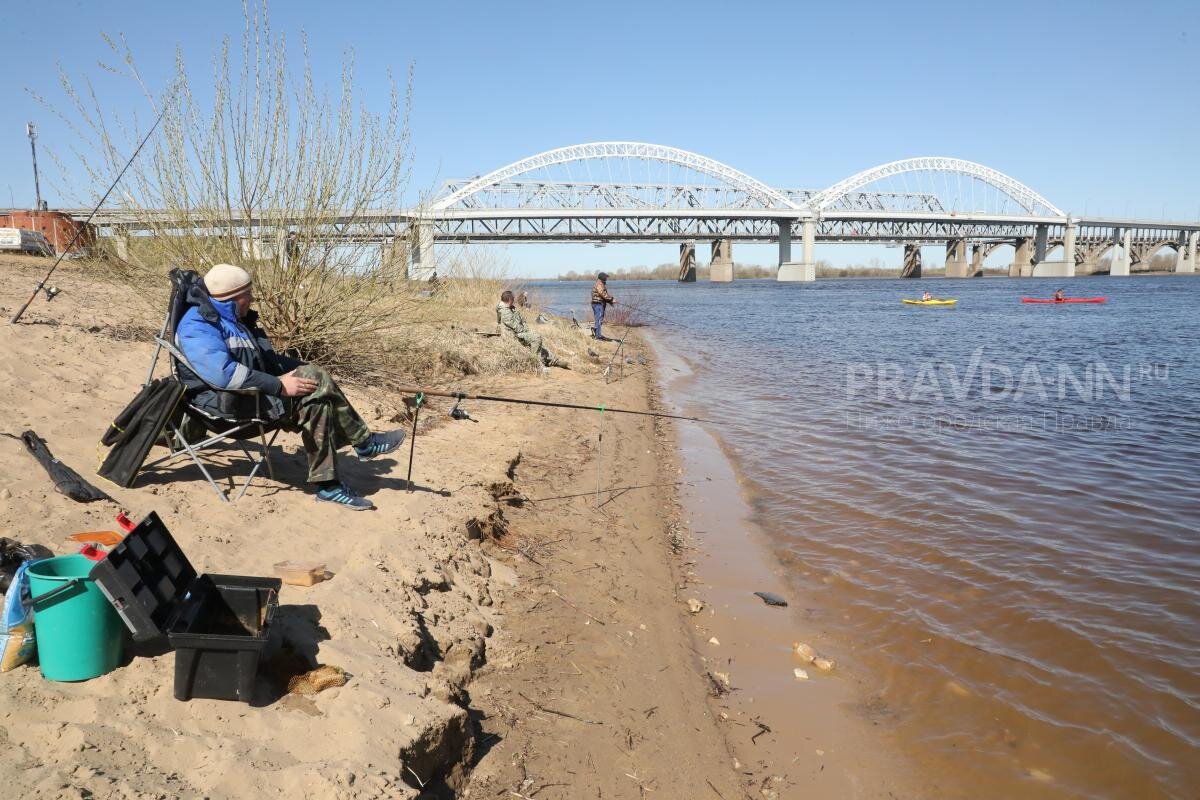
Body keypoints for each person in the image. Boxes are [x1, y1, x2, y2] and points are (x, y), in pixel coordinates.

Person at [175, 263, 406, 510]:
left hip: (248, 394)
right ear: (233, 298)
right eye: (248, 295)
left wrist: (299, 369)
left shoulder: (230, 316)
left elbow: (263, 360)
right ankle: (362, 445)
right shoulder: (197, 325)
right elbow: (223, 375)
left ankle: (331, 485)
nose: (252, 299)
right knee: (315, 387)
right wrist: (278, 385)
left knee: (315, 397)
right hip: (224, 406)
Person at [497, 290, 569, 370]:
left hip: (519, 332)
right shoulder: (504, 311)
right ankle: (537, 364)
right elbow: (516, 327)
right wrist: (526, 331)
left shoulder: (511, 308)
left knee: (539, 345)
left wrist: (526, 329)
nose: (514, 300)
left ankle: (555, 361)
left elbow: (522, 320)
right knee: (536, 338)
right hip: (513, 335)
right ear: (510, 299)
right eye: (513, 299)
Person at [591, 272, 614, 340]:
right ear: (602, 277)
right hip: (597, 304)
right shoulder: (599, 284)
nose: (606, 278)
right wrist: (611, 299)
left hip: (599, 304)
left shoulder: (601, 284)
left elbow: (603, 296)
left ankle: (597, 333)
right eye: (606, 277)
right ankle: (597, 336)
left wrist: (610, 301)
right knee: (598, 320)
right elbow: (602, 294)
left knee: (600, 320)